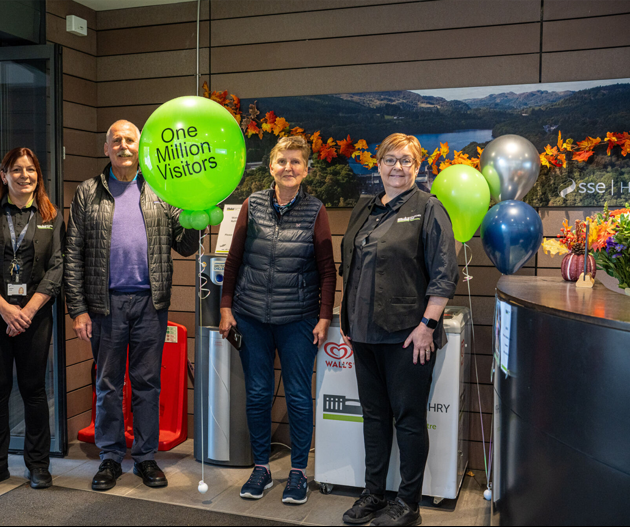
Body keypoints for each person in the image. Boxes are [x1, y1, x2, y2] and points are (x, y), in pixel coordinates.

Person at [65, 120, 201, 491]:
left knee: (147, 383)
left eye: (130, 140)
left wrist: (198, 213)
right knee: (108, 384)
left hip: (149, 304)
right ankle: (110, 458)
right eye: (117, 140)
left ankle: (145, 457)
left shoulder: (160, 189)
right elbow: (72, 253)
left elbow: (185, 245)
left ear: (141, 148)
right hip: (103, 304)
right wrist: (77, 308)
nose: (124, 146)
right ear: (106, 148)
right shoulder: (87, 192)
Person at [339, 134, 459, 526]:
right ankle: (373, 494)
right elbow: (353, 266)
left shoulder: (428, 209)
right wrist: (350, 319)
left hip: (409, 337)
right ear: (378, 164)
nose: (397, 168)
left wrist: (427, 325)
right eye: (390, 160)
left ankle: (408, 504)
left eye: (406, 161)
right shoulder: (364, 207)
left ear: (418, 166)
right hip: (363, 333)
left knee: (408, 418)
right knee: (374, 417)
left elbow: (444, 275)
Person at [219, 135, 336, 506]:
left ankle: (298, 472)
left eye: (296, 162)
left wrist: (323, 317)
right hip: (251, 317)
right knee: (257, 394)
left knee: (299, 396)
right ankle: (262, 468)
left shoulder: (315, 209)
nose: (289, 167)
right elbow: (233, 260)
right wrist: (225, 308)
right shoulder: (251, 204)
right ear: (271, 167)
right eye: (282, 161)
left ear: (306, 169)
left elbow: (327, 272)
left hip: (299, 321)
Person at [0, 147, 64, 493]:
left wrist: (28, 311)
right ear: (3, 176)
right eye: (16, 170)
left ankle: (38, 465)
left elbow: (57, 268)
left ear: (39, 175)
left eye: (30, 170)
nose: (24, 176)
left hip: (35, 315)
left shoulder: (52, 216)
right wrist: (6, 308)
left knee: (34, 390)